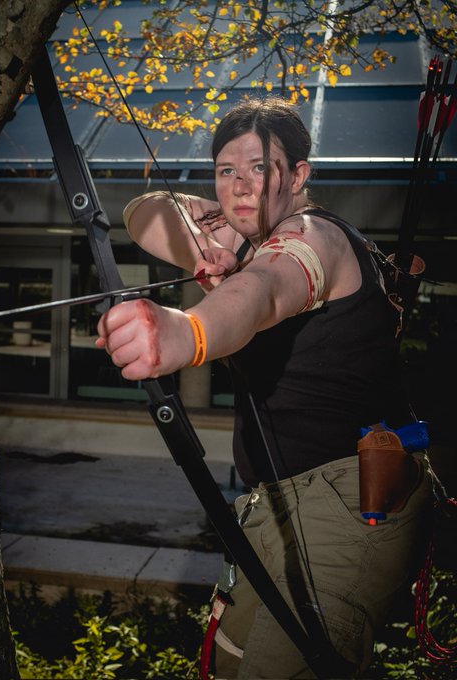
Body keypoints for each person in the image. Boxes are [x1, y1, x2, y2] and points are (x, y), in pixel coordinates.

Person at [96, 96, 434, 678]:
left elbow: (264, 292)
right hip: (277, 505)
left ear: (298, 176)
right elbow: (144, 213)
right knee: (230, 661)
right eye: (226, 170)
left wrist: (187, 332)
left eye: (260, 167)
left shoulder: (313, 237)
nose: (240, 186)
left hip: (346, 506)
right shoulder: (248, 237)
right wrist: (208, 244)